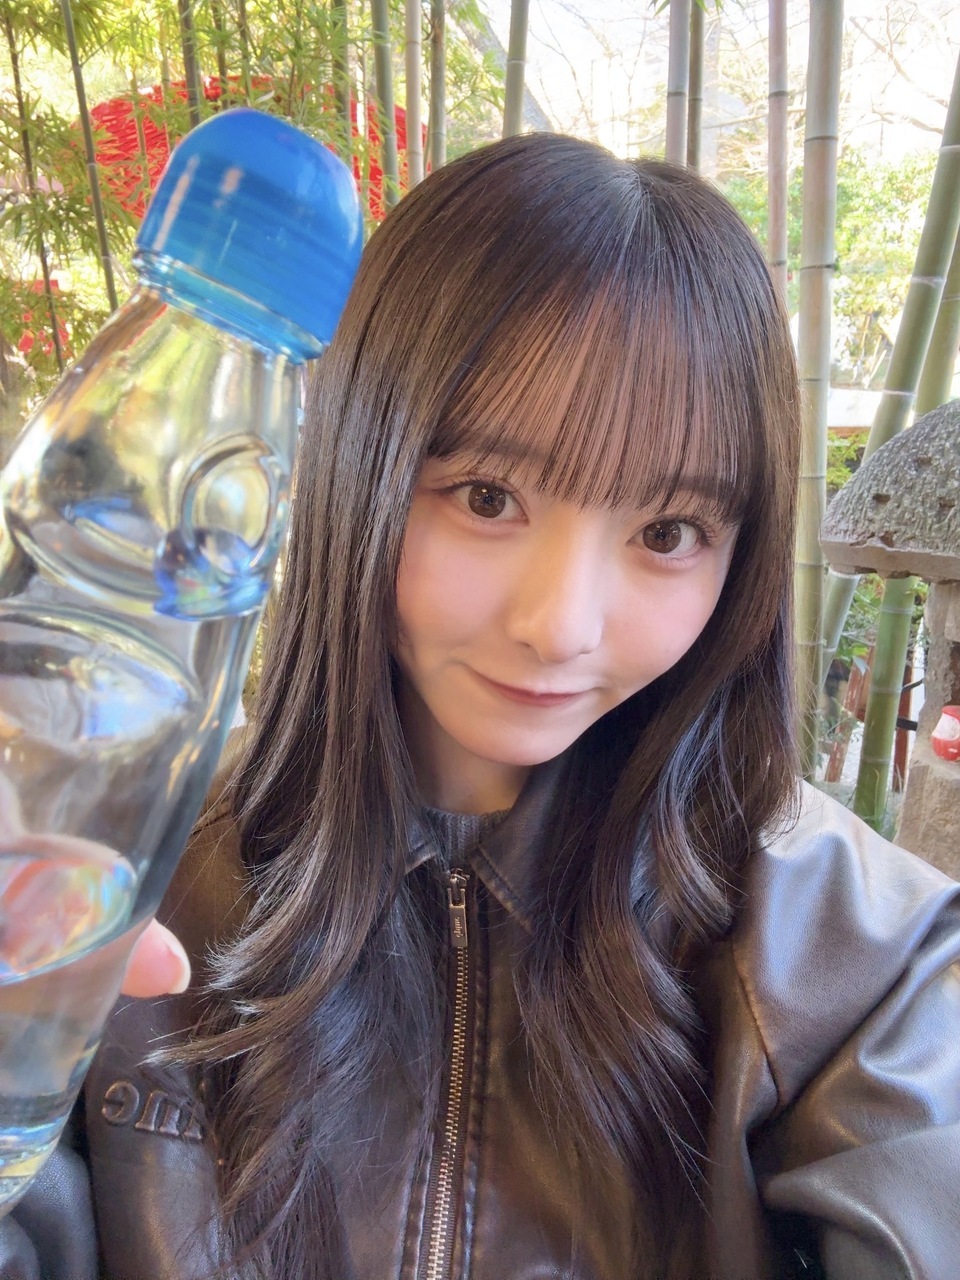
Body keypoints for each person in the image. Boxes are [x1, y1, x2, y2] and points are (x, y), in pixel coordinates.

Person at [4, 132, 959, 1280]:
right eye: (487, 496)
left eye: (666, 532)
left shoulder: (860, 954)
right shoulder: (114, 881)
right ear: (354, 467)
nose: (561, 623)